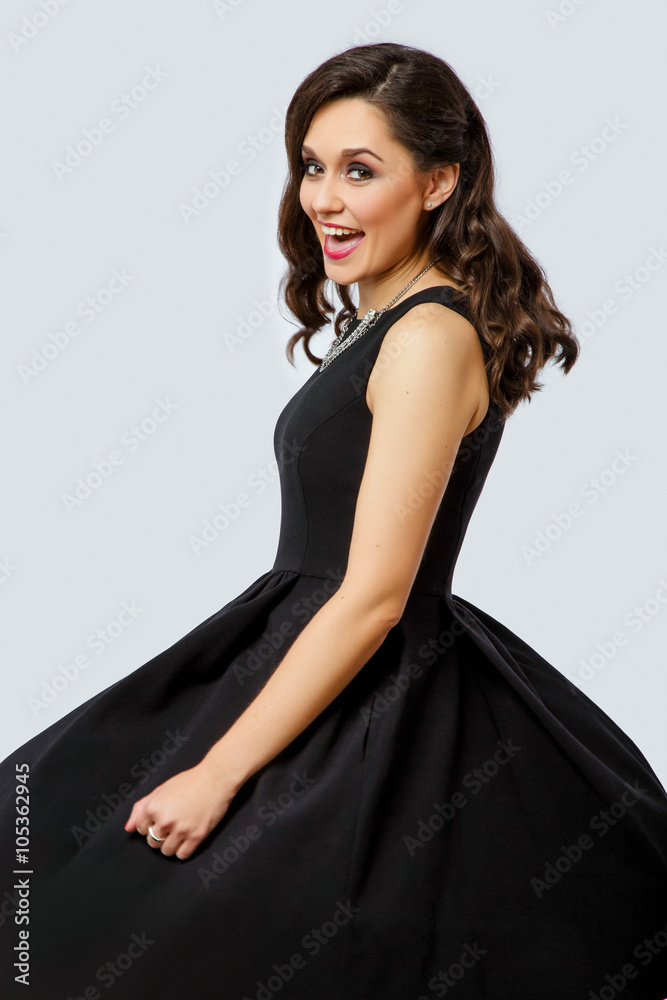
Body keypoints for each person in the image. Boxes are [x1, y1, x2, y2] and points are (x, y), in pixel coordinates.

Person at [1, 41, 666, 1000]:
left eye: (361, 170)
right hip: (296, 644)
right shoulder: (387, 322)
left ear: (439, 181)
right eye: (313, 166)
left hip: (372, 684)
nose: (323, 198)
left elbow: (375, 595)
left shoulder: (430, 337)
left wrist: (216, 773)